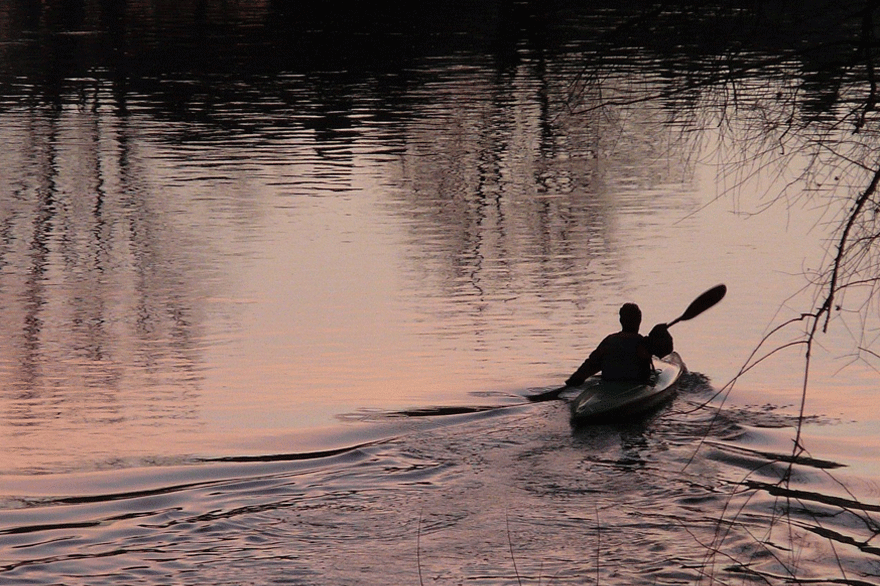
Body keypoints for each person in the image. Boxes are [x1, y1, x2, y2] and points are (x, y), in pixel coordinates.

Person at [565, 303, 673, 386]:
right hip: (636, 385)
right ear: (639, 321)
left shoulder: (608, 342)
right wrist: (661, 333)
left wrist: (575, 380)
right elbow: (666, 349)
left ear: (620, 320)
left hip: (609, 385)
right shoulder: (644, 344)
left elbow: (591, 365)